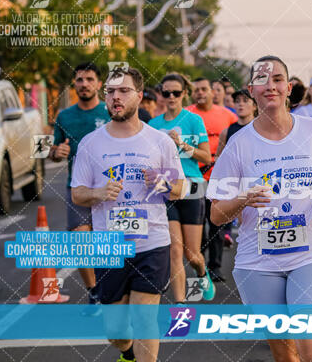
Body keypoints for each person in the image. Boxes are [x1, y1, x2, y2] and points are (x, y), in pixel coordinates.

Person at [207, 55, 312, 362]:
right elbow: (216, 214)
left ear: (289, 87)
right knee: (285, 354)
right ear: (251, 90)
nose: (270, 86)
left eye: (278, 79)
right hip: (258, 263)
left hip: (310, 255)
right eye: (262, 80)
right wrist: (243, 199)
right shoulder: (239, 144)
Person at [71, 67, 186, 362]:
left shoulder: (160, 141)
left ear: (138, 95)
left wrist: (160, 182)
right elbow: (77, 193)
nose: (115, 98)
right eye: (110, 92)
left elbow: (180, 188)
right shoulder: (91, 144)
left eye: (123, 91)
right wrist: (98, 193)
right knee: (117, 332)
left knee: (145, 318)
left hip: (152, 243)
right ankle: (128, 353)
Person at [49, 62, 110, 316]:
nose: (84, 84)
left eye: (89, 79)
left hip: (110, 188)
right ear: (74, 84)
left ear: (98, 84)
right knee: (81, 241)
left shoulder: (109, 111)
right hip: (79, 187)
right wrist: (56, 152)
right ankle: (94, 291)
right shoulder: (64, 116)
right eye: (79, 80)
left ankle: (113, 287)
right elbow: (53, 151)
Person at [149, 73, 216, 304]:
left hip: (192, 186)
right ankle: (180, 306)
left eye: (176, 93)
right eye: (166, 93)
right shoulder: (153, 125)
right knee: (175, 251)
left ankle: (201, 270)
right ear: (161, 95)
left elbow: (206, 157)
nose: (171, 97)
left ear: (184, 94)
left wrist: (181, 145)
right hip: (166, 188)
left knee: (192, 254)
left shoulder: (193, 120)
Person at [186, 77, 238, 282]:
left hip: (218, 178)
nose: (200, 93)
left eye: (204, 89)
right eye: (196, 90)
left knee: (216, 222)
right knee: (196, 225)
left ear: (212, 92)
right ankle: (199, 263)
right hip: (193, 177)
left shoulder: (227, 115)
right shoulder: (187, 115)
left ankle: (215, 266)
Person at [215, 89, 258, 247]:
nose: (240, 104)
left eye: (245, 101)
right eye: (237, 101)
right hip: (237, 181)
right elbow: (219, 159)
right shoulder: (227, 132)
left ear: (254, 105)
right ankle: (247, 251)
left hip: (259, 178)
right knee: (243, 221)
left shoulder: (261, 128)